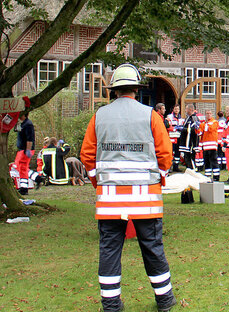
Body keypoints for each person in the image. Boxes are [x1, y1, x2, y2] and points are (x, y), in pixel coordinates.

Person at [80, 64, 176, 312]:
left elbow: (87, 155)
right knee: (152, 247)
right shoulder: (151, 116)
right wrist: (158, 180)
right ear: (136, 88)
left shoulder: (99, 116)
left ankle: (111, 304)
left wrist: (98, 183)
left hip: (110, 199)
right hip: (146, 199)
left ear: (114, 90)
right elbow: (165, 155)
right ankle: (164, 300)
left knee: (109, 249)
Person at [13, 111, 42, 194]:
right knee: (21, 167)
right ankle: (36, 179)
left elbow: (30, 139)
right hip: (23, 149)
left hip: (25, 150)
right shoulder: (23, 124)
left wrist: (28, 150)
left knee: (22, 168)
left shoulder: (28, 124)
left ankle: (24, 188)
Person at [198, 110, 220, 181]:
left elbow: (211, 129)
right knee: (206, 161)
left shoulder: (215, 122)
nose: (208, 115)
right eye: (207, 113)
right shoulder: (203, 124)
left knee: (214, 161)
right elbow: (200, 133)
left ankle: (216, 176)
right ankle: (207, 176)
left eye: (210, 113)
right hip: (205, 146)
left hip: (212, 145)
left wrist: (205, 126)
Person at [178, 103, 201, 171]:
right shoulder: (188, 118)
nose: (185, 110)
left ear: (190, 109)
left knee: (190, 157)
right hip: (185, 142)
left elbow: (195, 130)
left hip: (190, 143)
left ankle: (192, 169)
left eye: (186, 109)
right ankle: (189, 169)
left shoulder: (194, 118)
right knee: (186, 157)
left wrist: (183, 129)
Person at [166, 105, 182, 172]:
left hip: (178, 138)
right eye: (175, 109)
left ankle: (176, 167)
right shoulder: (169, 117)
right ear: (173, 109)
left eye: (178, 109)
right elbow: (167, 126)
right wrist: (174, 129)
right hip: (171, 138)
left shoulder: (181, 118)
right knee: (171, 153)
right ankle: (169, 167)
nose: (176, 110)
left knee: (177, 153)